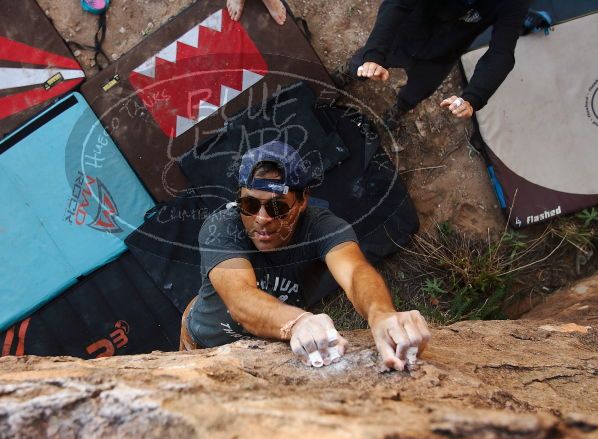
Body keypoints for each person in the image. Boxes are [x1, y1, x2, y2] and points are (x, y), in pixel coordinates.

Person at [180, 141, 430, 370]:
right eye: (250, 205)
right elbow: (240, 299)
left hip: (267, 348)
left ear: (302, 201)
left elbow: (355, 272)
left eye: (277, 207)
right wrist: (297, 321)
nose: (261, 218)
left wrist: (381, 314)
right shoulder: (222, 227)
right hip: (204, 340)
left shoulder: (322, 227)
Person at [337, 0, 531, 126]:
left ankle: (398, 111)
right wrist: (375, 52)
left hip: (441, 56)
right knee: (362, 64)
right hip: (404, 35)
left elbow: (501, 53)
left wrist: (474, 97)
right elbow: (398, 3)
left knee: (415, 94)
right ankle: (347, 73)